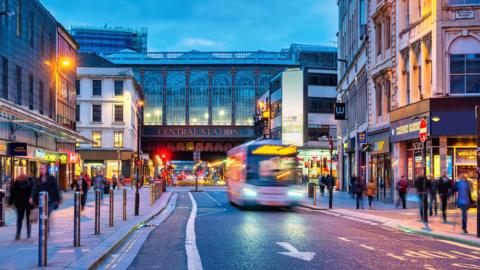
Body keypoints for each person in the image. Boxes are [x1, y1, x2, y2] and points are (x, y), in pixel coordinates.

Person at [8, 173, 33, 240]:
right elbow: (32, 192)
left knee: (19, 218)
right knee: (28, 218)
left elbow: (13, 192)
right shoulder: (30, 181)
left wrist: (10, 202)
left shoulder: (17, 182)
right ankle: (28, 234)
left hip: (19, 203)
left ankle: (18, 234)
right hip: (28, 203)